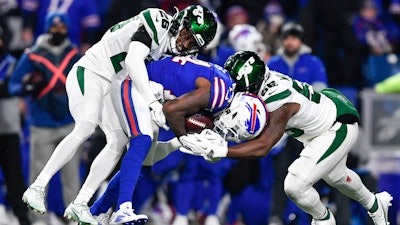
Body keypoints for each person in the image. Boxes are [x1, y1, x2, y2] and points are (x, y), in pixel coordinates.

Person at [22, 5, 217, 224]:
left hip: (115, 83)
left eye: (192, 43)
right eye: (185, 35)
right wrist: (153, 102)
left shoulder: (171, 51)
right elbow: (134, 61)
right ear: (178, 23)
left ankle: (80, 203)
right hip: (92, 71)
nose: (185, 43)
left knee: (118, 141)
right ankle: (37, 187)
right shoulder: (157, 20)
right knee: (86, 125)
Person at [181, 51, 394, 225]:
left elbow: (263, 146)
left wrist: (223, 150)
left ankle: (324, 219)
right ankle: (375, 204)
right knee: (337, 177)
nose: (235, 93)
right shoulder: (260, 80)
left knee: (295, 185)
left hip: (335, 127)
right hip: (317, 127)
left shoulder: (278, 101)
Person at [87, 55, 235, 225]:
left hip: (146, 93)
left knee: (145, 165)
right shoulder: (218, 94)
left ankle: (97, 212)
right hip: (131, 83)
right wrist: (185, 137)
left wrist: (183, 139)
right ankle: (120, 208)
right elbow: (172, 110)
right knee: (141, 143)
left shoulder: (218, 79)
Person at [8, 11, 82, 225]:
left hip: (69, 123)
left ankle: (73, 217)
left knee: (72, 178)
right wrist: (27, 87)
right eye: (54, 27)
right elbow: (14, 85)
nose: (57, 31)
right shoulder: (33, 54)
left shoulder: (74, 54)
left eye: (61, 28)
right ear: (47, 27)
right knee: (38, 177)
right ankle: (36, 219)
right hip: (42, 124)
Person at [267, 21, 330, 225]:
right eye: (286, 37)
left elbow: (320, 95)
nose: (290, 42)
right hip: (281, 129)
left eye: (294, 38)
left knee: (310, 176)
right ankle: (277, 216)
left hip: (307, 129)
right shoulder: (273, 64)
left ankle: (314, 217)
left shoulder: (313, 62)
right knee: (280, 175)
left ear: (300, 41)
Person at [0, 27, 32, 225]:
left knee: (14, 175)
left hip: (9, 128)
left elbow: (11, 87)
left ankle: (22, 217)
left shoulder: (12, 63)